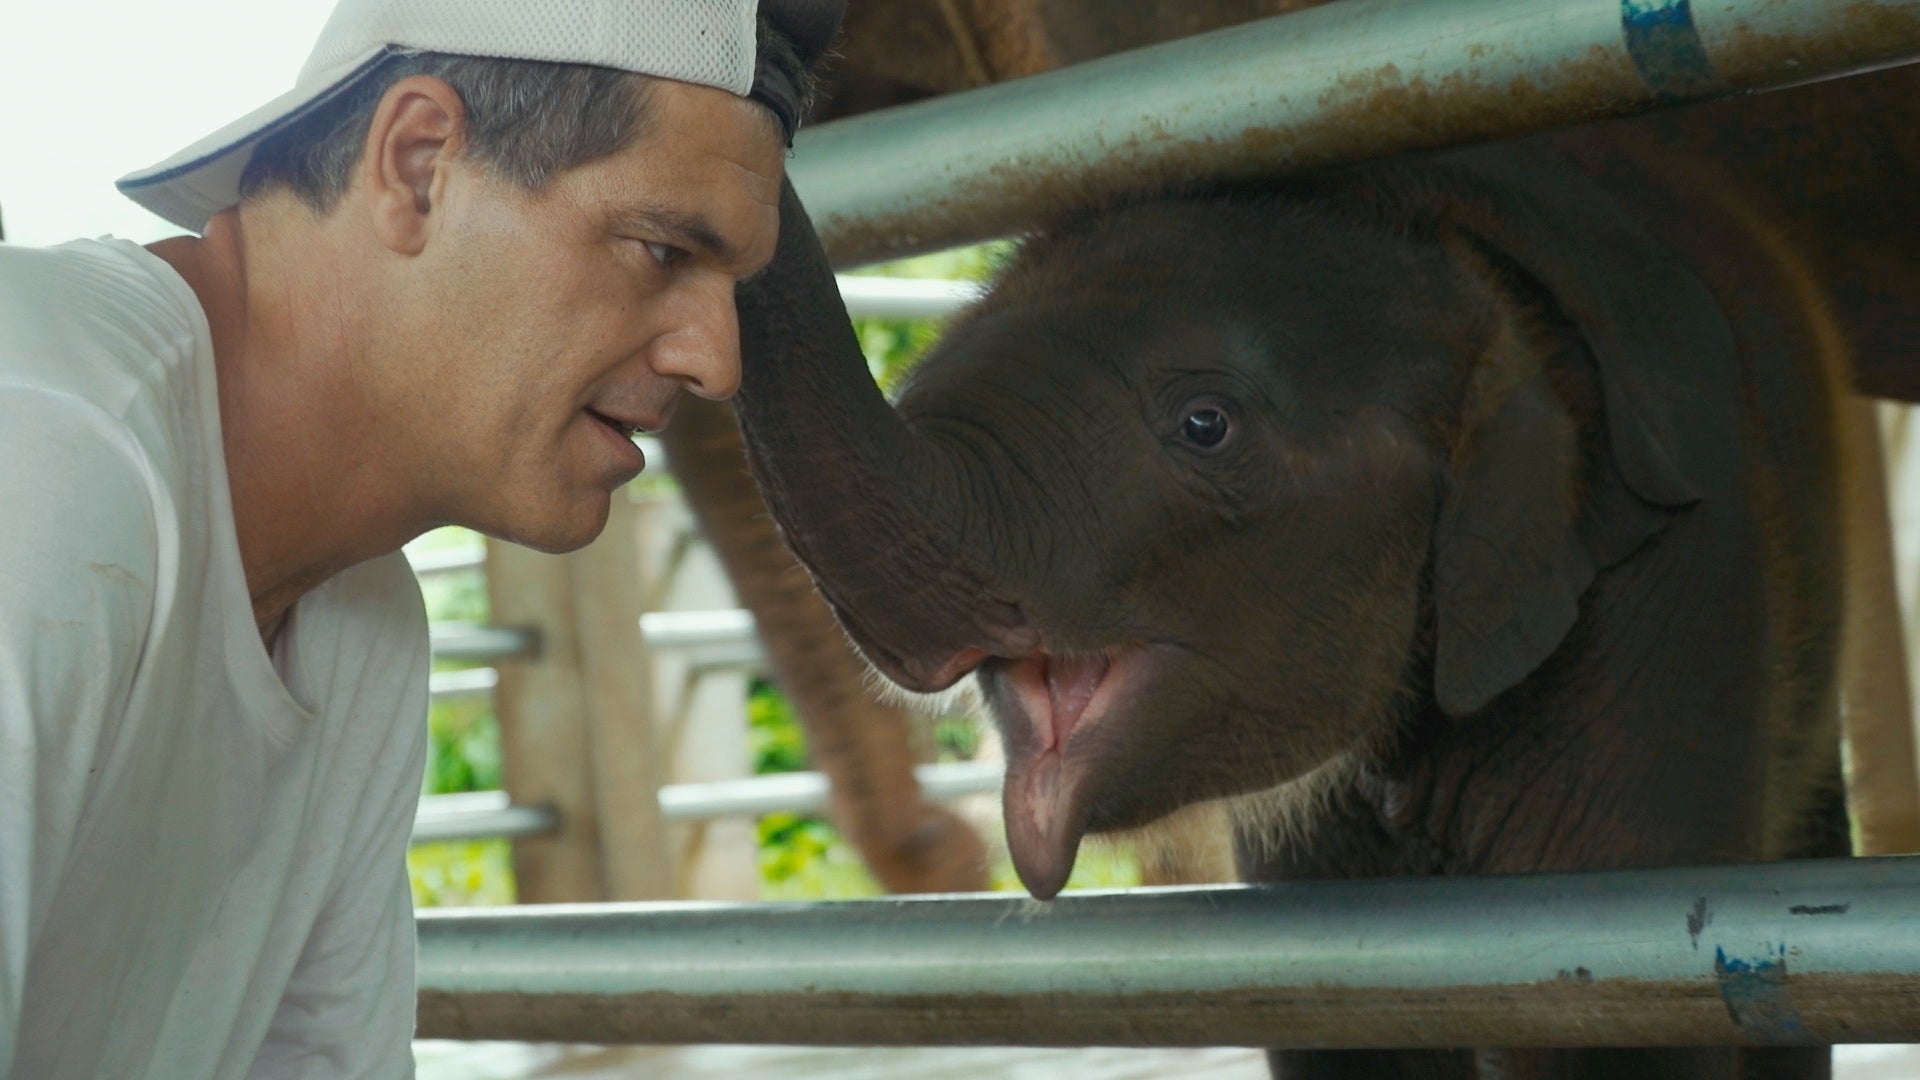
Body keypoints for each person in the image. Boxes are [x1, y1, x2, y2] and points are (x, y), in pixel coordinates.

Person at [0, 0, 842, 1075]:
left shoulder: (361, 625)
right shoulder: (41, 442)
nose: (714, 361)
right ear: (417, 164)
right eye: (659, 248)